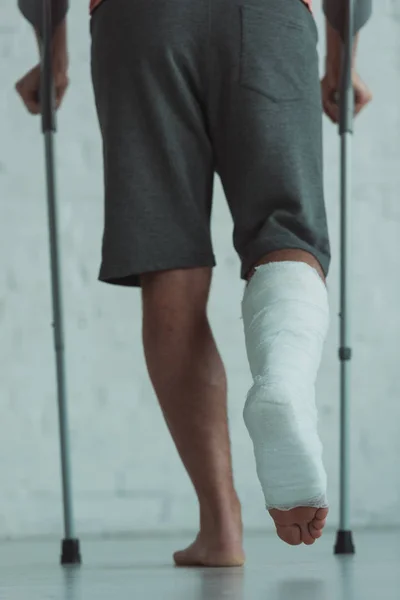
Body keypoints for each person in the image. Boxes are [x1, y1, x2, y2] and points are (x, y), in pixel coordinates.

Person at [16, 0, 372, 567]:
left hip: (140, 21)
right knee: (286, 232)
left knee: (170, 262)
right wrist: (342, 50)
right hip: (269, 18)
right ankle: (281, 378)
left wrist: (51, 48)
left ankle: (221, 527)